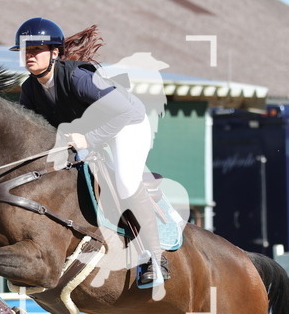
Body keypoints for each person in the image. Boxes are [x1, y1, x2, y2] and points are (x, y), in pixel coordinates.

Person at [11, 17, 170, 290]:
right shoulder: (29, 90)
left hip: (129, 124)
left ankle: (154, 258)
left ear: (55, 53)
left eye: (36, 50)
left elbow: (126, 111)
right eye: (26, 51)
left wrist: (90, 139)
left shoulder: (77, 77)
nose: (29, 57)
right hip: (87, 135)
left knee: (124, 181)